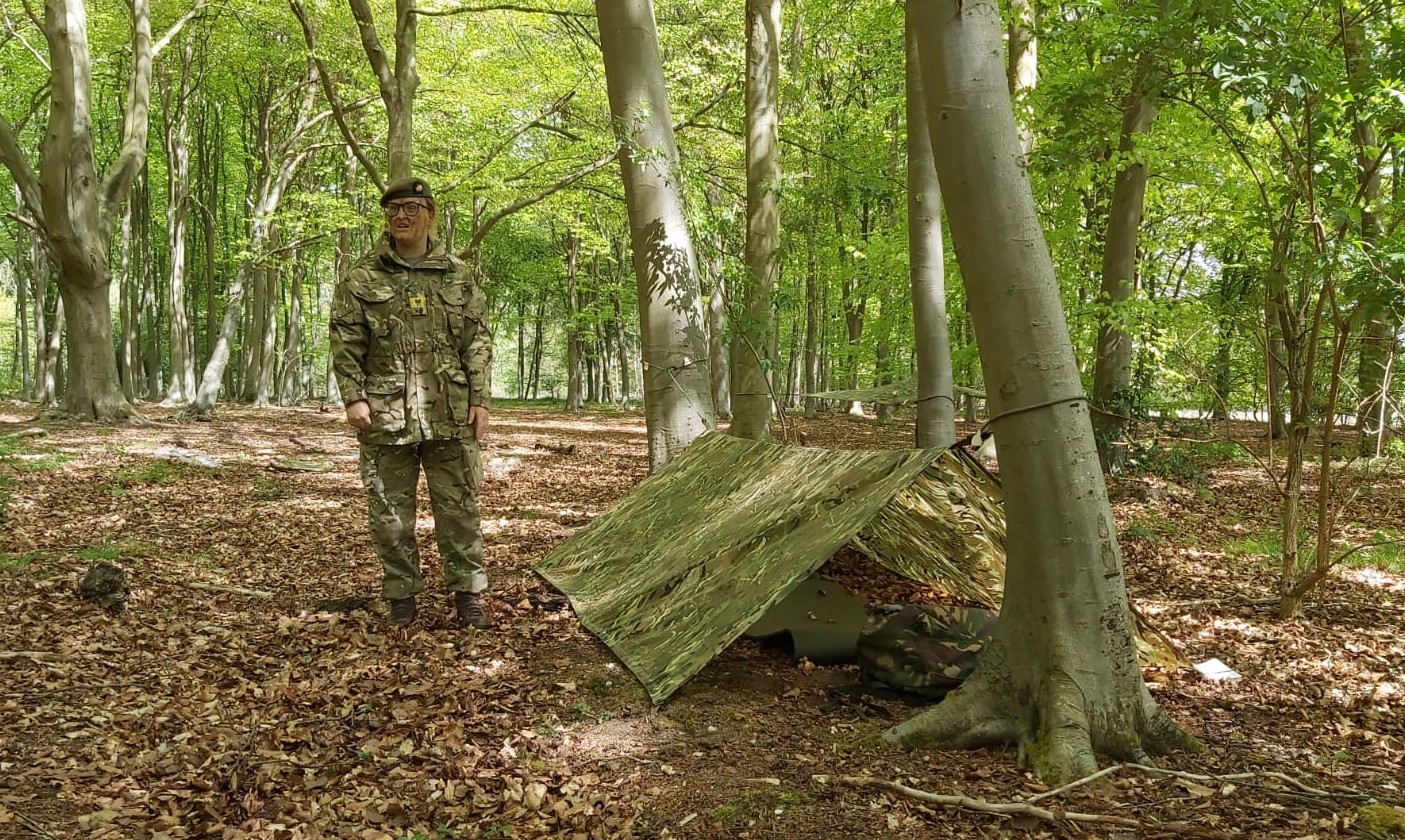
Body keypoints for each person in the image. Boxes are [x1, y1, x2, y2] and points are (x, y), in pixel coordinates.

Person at [329, 176, 493, 629]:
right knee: (389, 513)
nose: (401, 216)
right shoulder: (362, 277)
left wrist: (480, 399)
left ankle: (468, 594)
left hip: (450, 410)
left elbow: (477, 339)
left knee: (459, 508)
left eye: (411, 208)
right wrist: (353, 397)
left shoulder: (458, 274)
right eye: (394, 208)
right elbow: (345, 342)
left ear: (430, 214)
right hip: (385, 411)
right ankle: (401, 596)